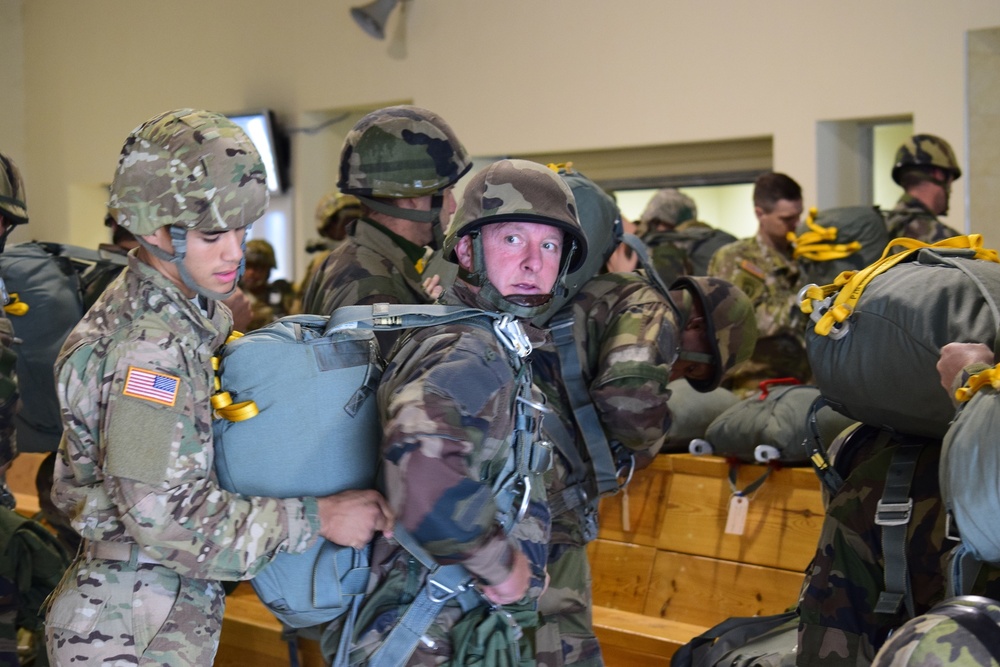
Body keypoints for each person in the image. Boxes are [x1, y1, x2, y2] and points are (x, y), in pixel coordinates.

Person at [45, 108, 393, 665]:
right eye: (212, 235)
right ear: (153, 230)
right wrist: (317, 517)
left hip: (146, 609)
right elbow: (162, 515)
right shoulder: (151, 352)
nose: (234, 251)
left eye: (243, 230)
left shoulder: (170, 317)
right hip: (131, 628)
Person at [335, 159, 589, 666]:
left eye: (549, 246)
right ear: (468, 248)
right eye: (513, 240)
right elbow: (421, 467)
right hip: (434, 629)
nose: (533, 262)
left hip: (437, 623)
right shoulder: (470, 351)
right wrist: (501, 566)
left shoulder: (483, 336)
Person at [530, 166, 758, 667]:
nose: (680, 372)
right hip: (545, 494)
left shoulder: (612, 295)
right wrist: (652, 439)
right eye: (696, 364)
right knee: (563, 642)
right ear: (697, 322)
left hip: (527, 475)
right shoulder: (651, 307)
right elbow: (627, 396)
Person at [301, 105, 471, 354]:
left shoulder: (355, 261)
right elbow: (379, 389)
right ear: (413, 197)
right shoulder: (374, 288)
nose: (453, 206)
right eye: (447, 192)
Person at [707, 172, 810, 396]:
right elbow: (738, 323)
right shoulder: (735, 259)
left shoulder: (806, 256)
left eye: (798, 216)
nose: (796, 224)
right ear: (760, 214)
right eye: (786, 218)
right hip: (755, 388)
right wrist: (803, 303)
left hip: (806, 384)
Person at [885, 134, 963, 243]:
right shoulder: (946, 240)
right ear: (938, 175)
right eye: (950, 182)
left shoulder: (880, 229)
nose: (951, 190)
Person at [295, 191, 362, 307]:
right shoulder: (321, 263)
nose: (350, 231)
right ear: (328, 229)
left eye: (355, 223)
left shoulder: (371, 257)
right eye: (344, 224)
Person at [240, 238, 295, 330]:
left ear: (268, 270)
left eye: (258, 267)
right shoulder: (232, 298)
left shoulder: (282, 296)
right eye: (247, 266)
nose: (251, 273)